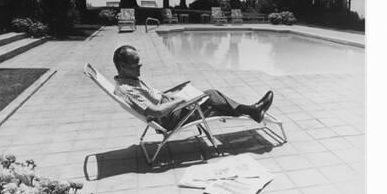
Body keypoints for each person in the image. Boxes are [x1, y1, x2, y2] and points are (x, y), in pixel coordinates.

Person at [113, 45, 274, 130]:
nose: (140, 66)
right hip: (169, 118)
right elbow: (157, 112)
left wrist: (171, 95)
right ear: (122, 66)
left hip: (170, 108)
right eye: (135, 64)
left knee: (214, 102)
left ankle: (251, 110)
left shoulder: (129, 79)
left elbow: (154, 101)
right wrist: (180, 100)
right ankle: (253, 110)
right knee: (211, 97)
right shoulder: (127, 89)